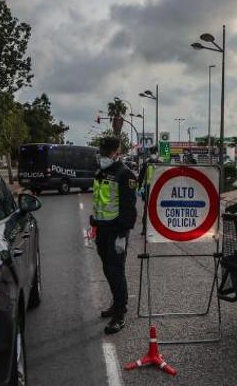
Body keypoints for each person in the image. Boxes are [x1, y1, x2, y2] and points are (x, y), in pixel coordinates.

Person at [89, 136, 137, 334]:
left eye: (108, 151)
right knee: (108, 270)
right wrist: (95, 220)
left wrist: (121, 230)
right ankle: (115, 304)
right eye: (103, 150)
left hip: (117, 231)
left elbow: (129, 208)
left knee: (116, 271)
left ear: (117, 152)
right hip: (102, 228)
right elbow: (101, 199)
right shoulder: (101, 171)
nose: (104, 154)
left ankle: (120, 313)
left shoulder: (125, 174)